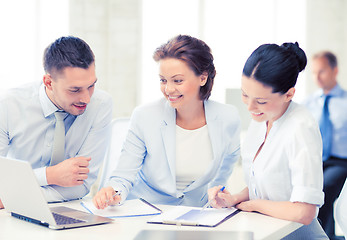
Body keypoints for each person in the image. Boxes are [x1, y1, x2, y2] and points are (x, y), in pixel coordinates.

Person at [93, 35, 241, 209]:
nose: (168, 89)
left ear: (203, 78)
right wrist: (114, 192)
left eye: (177, 80)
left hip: (196, 214)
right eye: (163, 80)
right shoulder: (145, 116)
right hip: (146, 210)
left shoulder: (227, 117)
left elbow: (227, 163)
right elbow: (124, 175)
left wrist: (217, 194)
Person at [208, 42, 328, 239]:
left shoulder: (300, 126)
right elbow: (266, 185)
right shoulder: (262, 119)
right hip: (267, 232)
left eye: (261, 101)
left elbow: (304, 212)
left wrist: (254, 205)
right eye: (245, 95)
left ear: (289, 94)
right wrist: (233, 199)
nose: (250, 107)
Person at [0, 36, 113, 209]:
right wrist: (49, 175)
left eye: (91, 86)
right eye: (74, 90)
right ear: (49, 82)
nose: (86, 98)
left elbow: (81, 186)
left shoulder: (101, 105)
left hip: (71, 210)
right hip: (13, 213)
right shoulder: (9, 105)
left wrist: (11, 198)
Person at [303, 51, 347, 240]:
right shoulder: (308, 103)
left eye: (321, 72)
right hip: (315, 160)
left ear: (334, 70)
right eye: (313, 73)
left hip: (340, 162)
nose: (317, 77)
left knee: (324, 189)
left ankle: (324, 236)